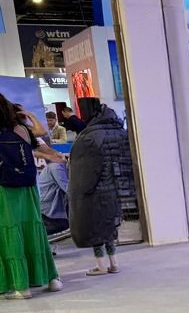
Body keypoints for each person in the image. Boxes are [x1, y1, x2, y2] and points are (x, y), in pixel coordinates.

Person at [0, 93, 63, 299]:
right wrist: (28, 115)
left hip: (4, 189)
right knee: (34, 230)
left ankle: (20, 285)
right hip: (27, 186)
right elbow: (41, 134)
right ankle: (51, 278)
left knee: (9, 232)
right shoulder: (22, 130)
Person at [69, 103, 133, 276]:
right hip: (116, 190)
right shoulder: (121, 132)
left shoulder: (90, 136)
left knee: (96, 230)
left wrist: (77, 194)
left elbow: (83, 173)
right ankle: (114, 263)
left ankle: (101, 265)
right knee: (110, 228)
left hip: (95, 192)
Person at [39, 157, 70, 235]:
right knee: (63, 226)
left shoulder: (56, 167)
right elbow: (69, 190)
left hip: (49, 210)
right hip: (49, 212)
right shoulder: (56, 167)